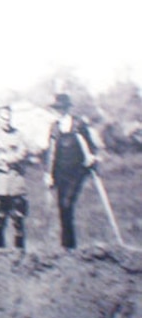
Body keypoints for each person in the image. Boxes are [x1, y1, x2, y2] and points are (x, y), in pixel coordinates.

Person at [44, 90, 99, 250]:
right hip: (61, 172)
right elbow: (51, 152)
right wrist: (48, 174)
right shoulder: (54, 127)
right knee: (62, 206)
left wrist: (91, 157)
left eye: (61, 108)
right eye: (56, 108)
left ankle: (69, 244)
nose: (58, 111)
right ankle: (67, 246)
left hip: (77, 171)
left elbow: (90, 145)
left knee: (67, 203)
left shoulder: (78, 124)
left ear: (67, 108)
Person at [0, 103, 32, 251]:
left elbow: (22, 153)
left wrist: (5, 158)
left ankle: (20, 253)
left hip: (16, 183)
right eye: (3, 118)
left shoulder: (19, 135)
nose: (6, 121)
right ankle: (0, 256)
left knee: (18, 220)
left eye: (8, 117)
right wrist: (3, 159)